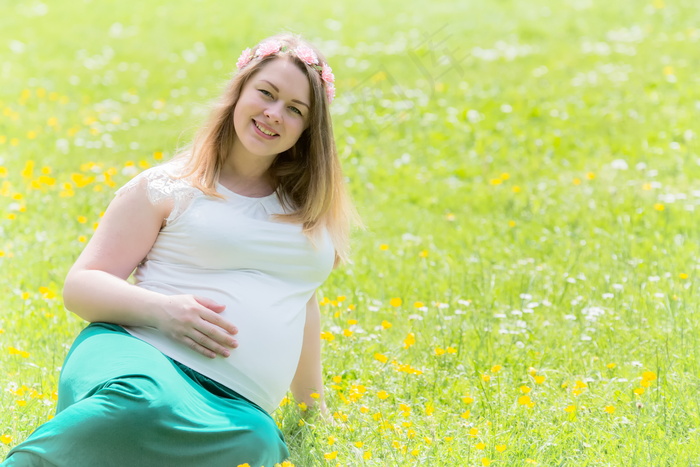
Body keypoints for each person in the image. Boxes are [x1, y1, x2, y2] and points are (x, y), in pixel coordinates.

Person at [2, 32, 357, 467]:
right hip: (143, 354)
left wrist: (311, 408)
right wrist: (163, 311)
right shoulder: (169, 186)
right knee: (142, 403)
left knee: (258, 445)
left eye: (295, 109)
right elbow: (81, 286)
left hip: (236, 405)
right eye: (266, 93)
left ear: (307, 129)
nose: (274, 113)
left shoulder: (308, 211)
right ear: (240, 90)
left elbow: (300, 297)